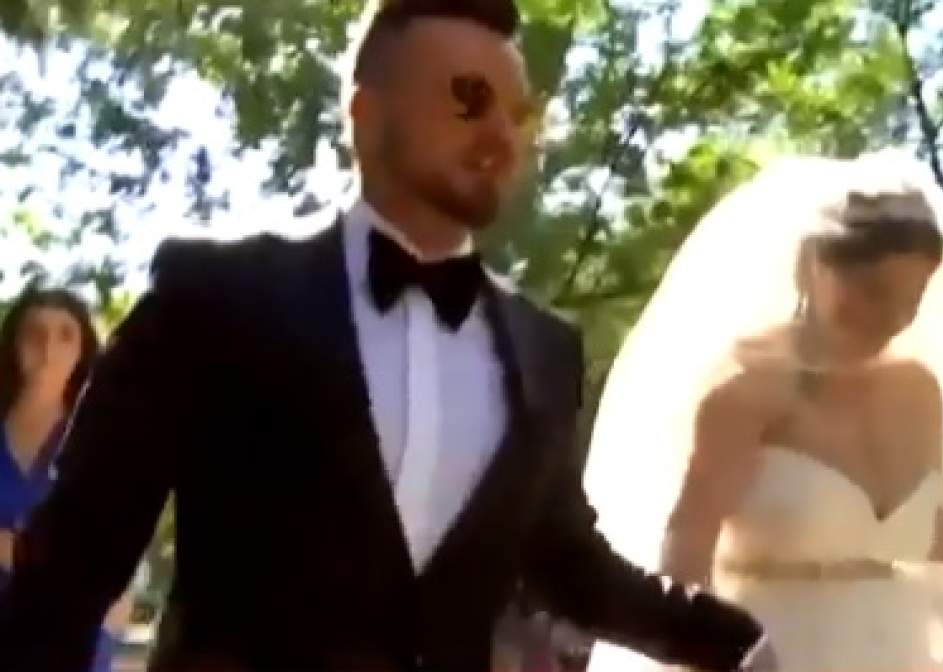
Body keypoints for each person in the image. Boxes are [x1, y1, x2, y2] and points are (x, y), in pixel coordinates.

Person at [0, 1, 776, 671]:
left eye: (518, 116)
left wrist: (742, 644)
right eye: (469, 101)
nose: (502, 136)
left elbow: (573, 568)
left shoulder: (544, 351)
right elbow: (73, 564)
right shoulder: (214, 298)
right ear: (366, 117)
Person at [583, 151, 943, 671]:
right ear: (813, 264)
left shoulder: (919, 391)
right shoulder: (745, 390)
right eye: (873, 292)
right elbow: (688, 544)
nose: (890, 317)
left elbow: (940, 546)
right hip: (775, 651)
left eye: (910, 299)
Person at [0, 287, 133, 672]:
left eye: (65, 335)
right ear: (12, 345)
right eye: (34, 333)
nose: (48, 347)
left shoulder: (102, 445)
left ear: (82, 350)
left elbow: (108, 566)